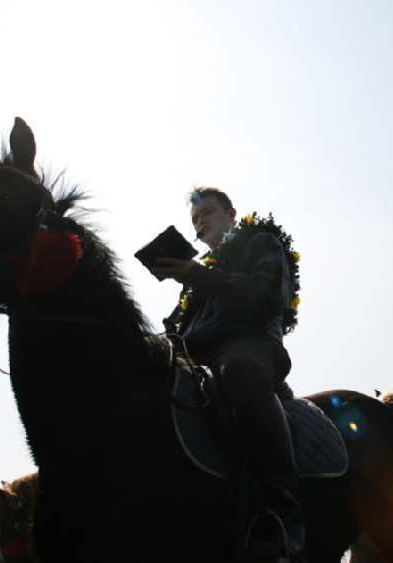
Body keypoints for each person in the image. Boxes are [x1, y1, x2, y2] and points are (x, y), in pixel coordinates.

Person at [152, 187, 305, 563]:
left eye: (208, 214)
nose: (200, 224)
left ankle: (280, 513)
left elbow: (269, 296)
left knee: (239, 372)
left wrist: (197, 275)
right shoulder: (198, 277)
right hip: (197, 356)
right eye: (195, 220)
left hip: (251, 346)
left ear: (232, 214)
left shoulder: (262, 244)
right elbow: (180, 334)